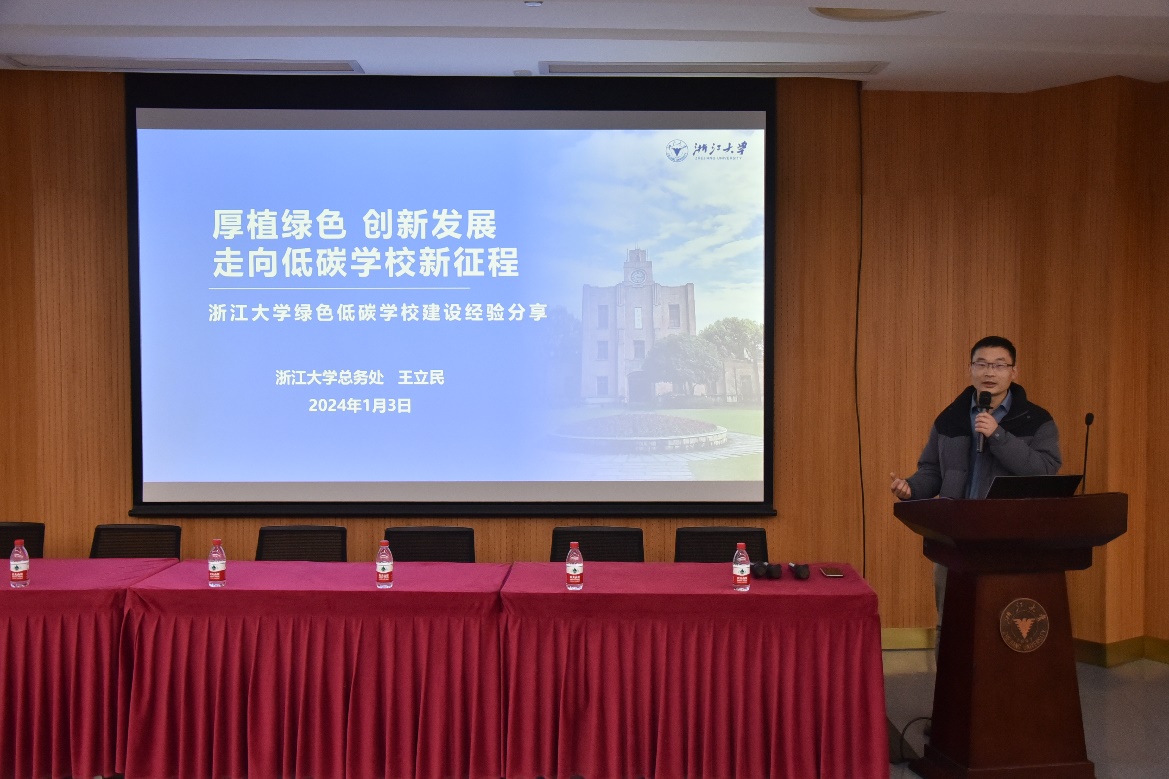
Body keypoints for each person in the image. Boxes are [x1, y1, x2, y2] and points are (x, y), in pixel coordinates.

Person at [889, 335, 1062, 645]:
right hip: (955, 537)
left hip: (1010, 539)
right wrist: (911, 488)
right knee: (952, 623)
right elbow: (932, 470)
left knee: (1005, 626)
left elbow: (1045, 470)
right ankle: (949, 678)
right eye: (981, 364)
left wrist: (998, 435)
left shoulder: (1036, 420)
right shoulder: (950, 418)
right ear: (970, 369)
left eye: (999, 365)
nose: (989, 372)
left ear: (1014, 372)